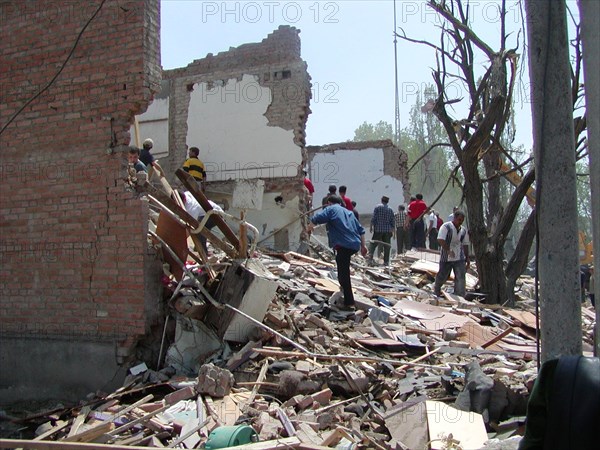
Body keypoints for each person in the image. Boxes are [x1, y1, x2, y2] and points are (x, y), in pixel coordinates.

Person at [307, 195, 367, 310]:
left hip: (343, 245)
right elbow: (361, 230)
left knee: (343, 274)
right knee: (343, 270)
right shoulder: (349, 212)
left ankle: (349, 302)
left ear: (329, 202)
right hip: (354, 244)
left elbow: (317, 218)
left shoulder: (331, 208)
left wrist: (309, 227)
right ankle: (345, 296)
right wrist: (363, 246)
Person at [433, 210, 470, 297]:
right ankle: (437, 289)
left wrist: (467, 258)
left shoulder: (463, 230)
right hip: (446, 257)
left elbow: (465, 244)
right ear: (455, 218)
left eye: (462, 220)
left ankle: (460, 295)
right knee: (443, 275)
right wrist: (448, 250)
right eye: (459, 220)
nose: (460, 222)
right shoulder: (446, 227)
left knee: (460, 276)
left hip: (459, 256)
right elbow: (440, 239)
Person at [368, 196, 396, 266]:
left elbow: (374, 217)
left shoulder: (377, 207)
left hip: (378, 229)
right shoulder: (390, 209)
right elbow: (392, 221)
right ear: (388, 201)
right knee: (387, 246)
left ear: (381, 200)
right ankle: (386, 262)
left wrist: (371, 226)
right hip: (387, 230)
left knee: (373, 244)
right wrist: (392, 230)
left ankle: (370, 259)